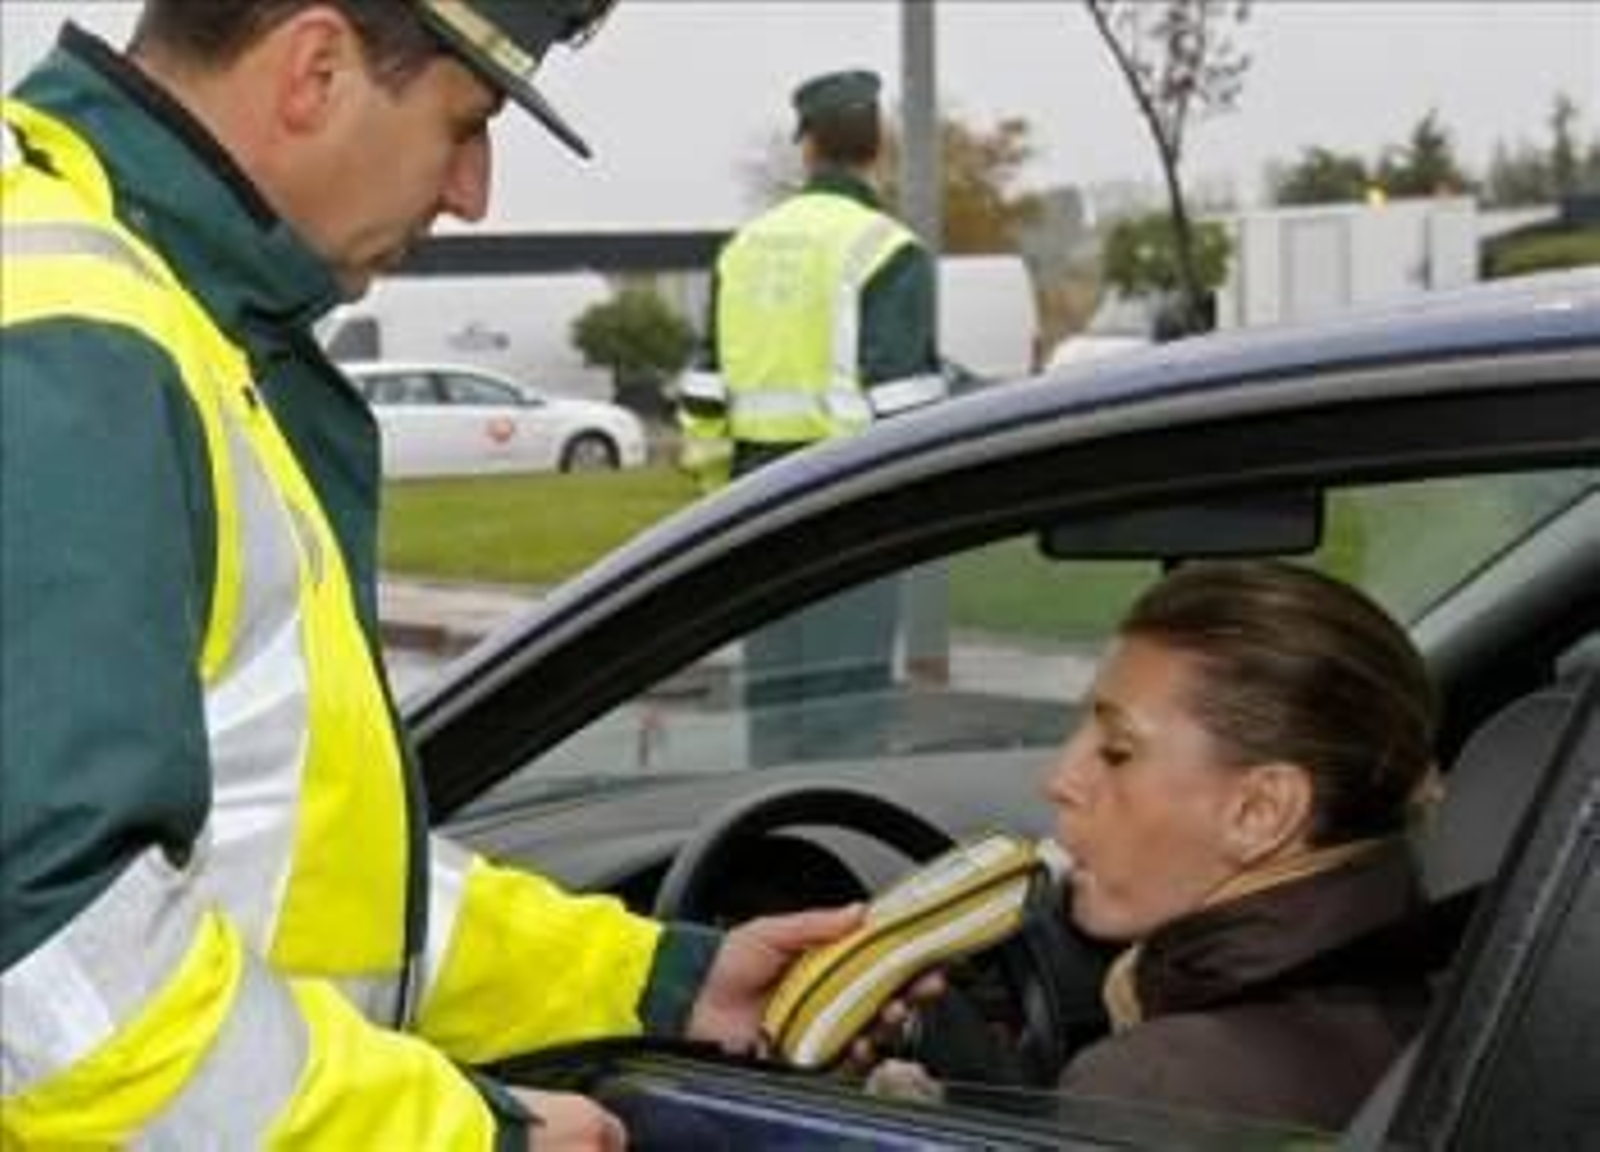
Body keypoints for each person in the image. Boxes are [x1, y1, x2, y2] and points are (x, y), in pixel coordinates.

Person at [0, 5, 870, 1148]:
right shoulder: (77, 351)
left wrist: (661, 982)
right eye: (465, 123)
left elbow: (315, 887)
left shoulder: (172, 329)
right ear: (315, 68)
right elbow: (50, 987)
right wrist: (468, 1134)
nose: (473, 192)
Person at [872, 561, 1442, 1130]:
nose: (1059, 779)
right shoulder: (1430, 999)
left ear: (1259, 812)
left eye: (1117, 752)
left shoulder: (1155, 1087)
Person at [676, 68, 944, 766]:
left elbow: (703, 395)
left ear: (807, 148)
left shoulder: (744, 249)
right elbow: (907, 410)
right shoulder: (888, 250)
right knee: (845, 718)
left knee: (775, 712)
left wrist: (719, 500)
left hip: (755, 504)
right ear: (878, 145)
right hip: (849, 501)